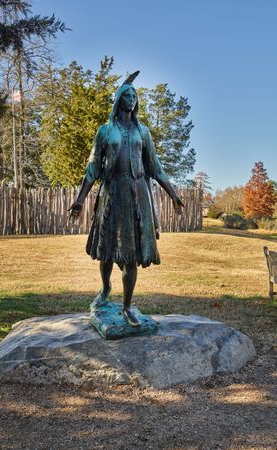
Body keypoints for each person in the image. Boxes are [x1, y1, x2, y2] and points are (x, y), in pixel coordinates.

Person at [69, 71, 184, 327]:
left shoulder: (143, 132)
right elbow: (92, 168)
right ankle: (106, 288)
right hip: (112, 195)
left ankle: (128, 306)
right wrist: (80, 198)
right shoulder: (105, 131)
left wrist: (173, 194)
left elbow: (155, 166)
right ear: (119, 99)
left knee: (130, 255)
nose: (131, 98)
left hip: (137, 196)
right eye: (127, 95)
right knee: (107, 252)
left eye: (134, 95)